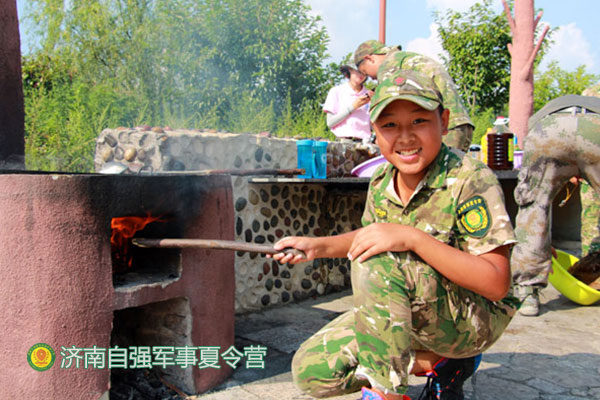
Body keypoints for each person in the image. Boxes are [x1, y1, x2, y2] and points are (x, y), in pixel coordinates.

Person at [271, 70, 518, 400]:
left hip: (471, 317)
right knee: (313, 372)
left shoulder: (470, 178)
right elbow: (375, 234)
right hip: (413, 311)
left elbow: (496, 283)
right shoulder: (381, 181)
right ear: (374, 131)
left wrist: (412, 238)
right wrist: (316, 246)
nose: (405, 137)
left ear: (443, 122)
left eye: (419, 121)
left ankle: (386, 392)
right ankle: (436, 361)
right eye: (389, 125)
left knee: (378, 262)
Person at [511, 88, 600, 316]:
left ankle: (527, 293)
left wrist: (537, 243)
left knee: (534, 207)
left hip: (549, 130)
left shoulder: (550, 109)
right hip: (596, 129)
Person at [352, 40, 474, 153]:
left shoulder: (389, 65)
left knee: (433, 174)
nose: (371, 78)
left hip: (443, 128)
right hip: (460, 122)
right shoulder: (406, 58)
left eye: (365, 72)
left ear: (369, 58)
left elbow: (392, 107)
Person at [323, 65, 373, 142]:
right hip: (342, 141)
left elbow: (372, 125)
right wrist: (353, 106)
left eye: (365, 73)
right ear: (350, 70)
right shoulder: (336, 91)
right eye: (359, 72)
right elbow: (330, 123)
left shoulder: (369, 95)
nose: (361, 75)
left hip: (364, 142)